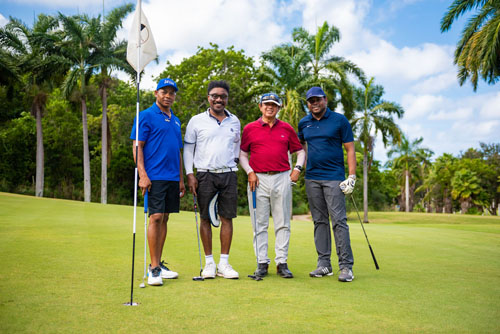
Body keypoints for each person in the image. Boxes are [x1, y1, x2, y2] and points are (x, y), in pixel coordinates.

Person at [239, 93, 305, 279]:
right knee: (259, 223)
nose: (270, 107)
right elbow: (243, 154)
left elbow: (299, 152)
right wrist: (249, 171)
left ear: (278, 108)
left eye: (274, 105)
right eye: (266, 104)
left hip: (282, 178)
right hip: (257, 180)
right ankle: (262, 263)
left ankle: (281, 263)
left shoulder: (286, 128)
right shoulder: (250, 128)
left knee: (282, 222)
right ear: (260, 107)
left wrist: (297, 170)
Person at [298, 86, 357, 282]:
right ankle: (324, 265)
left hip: (334, 178)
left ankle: (346, 267)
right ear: (308, 103)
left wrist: (352, 176)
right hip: (312, 178)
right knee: (319, 221)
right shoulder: (304, 123)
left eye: (318, 100)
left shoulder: (339, 120)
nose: (314, 103)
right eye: (311, 100)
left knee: (338, 221)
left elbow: (350, 149)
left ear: (325, 99)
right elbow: (301, 148)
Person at [130, 78, 185, 286]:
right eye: (164, 91)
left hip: (172, 177)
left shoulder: (176, 120)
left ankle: (159, 264)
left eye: (172, 92)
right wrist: (143, 175)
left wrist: (180, 179)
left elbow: (177, 152)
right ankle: (153, 268)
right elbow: (137, 146)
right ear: (156, 93)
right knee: (156, 217)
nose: (168, 95)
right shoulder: (145, 116)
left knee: (165, 219)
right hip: (154, 176)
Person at [183, 80, 241, 279]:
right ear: (208, 97)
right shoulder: (196, 120)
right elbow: (189, 149)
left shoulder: (234, 121)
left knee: (227, 218)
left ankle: (224, 264)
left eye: (223, 96)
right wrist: (190, 174)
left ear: (227, 98)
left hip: (229, 173)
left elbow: (235, 147)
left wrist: (233, 165)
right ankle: (209, 264)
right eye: (215, 95)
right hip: (205, 174)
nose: (219, 99)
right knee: (205, 218)